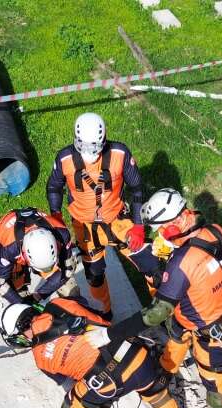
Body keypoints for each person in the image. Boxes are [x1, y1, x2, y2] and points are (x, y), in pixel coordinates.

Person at [88, 188, 222, 408]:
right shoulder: (215, 231)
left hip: (215, 338)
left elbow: (154, 314)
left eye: (161, 231)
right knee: (176, 335)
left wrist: (110, 333)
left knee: (218, 392)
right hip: (216, 309)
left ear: (174, 224)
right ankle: (165, 372)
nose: (159, 237)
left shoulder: (182, 264)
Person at [0, 297, 194, 408]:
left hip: (106, 382)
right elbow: (98, 317)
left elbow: (70, 383)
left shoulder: (40, 359)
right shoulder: (59, 304)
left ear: (19, 336)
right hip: (136, 356)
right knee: (159, 397)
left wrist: (96, 397)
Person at [46, 112, 149, 315]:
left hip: (117, 219)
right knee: (94, 276)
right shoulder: (64, 158)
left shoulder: (120, 153)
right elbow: (53, 187)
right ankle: (105, 312)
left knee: (149, 263)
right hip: (84, 225)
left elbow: (137, 187)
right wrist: (56, 215)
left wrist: (138, 224)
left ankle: (164, 310)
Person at [0, 207, 78, 308]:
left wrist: (37, 296)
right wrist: (22, 304)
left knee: (69, 287)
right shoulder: (9, 249)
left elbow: (68, 269)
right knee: (14, 289)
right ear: (24, 254)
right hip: (6, 239)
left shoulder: (61, 233)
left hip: (23, 241)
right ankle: (20, 290)